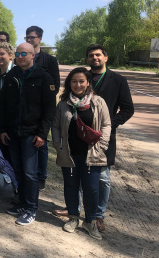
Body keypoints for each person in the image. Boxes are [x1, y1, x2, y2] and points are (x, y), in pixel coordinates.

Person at [53, 44, 135, 233]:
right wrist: (59, 144)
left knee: (102, 179)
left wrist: (106, 128)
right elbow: (58, 123)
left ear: (106, 57)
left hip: (101, 140)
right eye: (91, 55)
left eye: (98, 55)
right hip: (75, 143)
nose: (95, 58)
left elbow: (128, 109)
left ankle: (98, 215)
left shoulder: (118, 80)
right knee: (74, 179)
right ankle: (74, 211)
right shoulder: (82, 77)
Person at [0, 42, 56, 226]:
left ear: (33, 55)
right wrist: (3, 129)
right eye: (18, 54)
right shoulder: (11, 76)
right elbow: (3, 105)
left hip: (31, 133)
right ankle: (22, 203)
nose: (20, 57)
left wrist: (42, 134)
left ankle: (31, 209)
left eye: (24, 53)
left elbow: (49, 109)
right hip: (13, 132)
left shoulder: (43, 77)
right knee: (17, 170)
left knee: (30, 173)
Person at [52, 67, 111, 240]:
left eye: (81, 81)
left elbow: (106, 125)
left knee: (91, 189)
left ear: (87, 83)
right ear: (69, 83)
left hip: (92, 154)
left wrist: (102, 145)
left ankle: (90, 221)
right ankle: (73, 217)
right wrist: (58, 145)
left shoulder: (98, 102)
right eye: (74, 81)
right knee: (71, 186)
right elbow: (55, 126)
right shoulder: (63, 104)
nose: (78, 85)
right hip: (69, 154)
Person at [25, 25, 60, 190]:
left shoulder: (49, 60)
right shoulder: (23, 57)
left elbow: (55, 85)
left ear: (39, 38)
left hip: (42, 108)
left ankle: (41, 176)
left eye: (32, 37)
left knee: (42, 142)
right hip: (26, 108)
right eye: (27, 37)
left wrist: (44, 99)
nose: (29, 40)